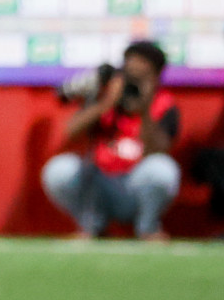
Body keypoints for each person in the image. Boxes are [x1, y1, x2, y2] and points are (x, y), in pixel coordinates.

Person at [41, 41, 181, 241]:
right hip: (100, 185)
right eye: (129, 72)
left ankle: (147, 228)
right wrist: (106, 103)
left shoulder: (164, 103)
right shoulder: (106, 97)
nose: (133, 81)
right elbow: (69, 132)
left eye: (142, 75)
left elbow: (159, 151)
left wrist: (145, 108)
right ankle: (92, 226)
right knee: (59, 170)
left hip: (136, 185)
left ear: (156, 76)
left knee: (163, 169)